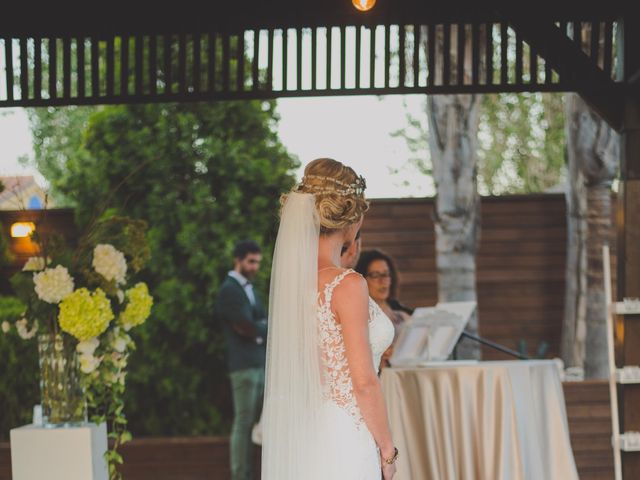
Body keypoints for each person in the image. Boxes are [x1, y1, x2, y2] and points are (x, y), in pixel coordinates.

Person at [261, 158, 398, 480]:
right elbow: (363, 382)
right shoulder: (347, 285)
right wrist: (388, 449)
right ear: (353, 219)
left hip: (305, 431)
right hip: (346, 434)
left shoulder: (293, 283)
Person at [215, 240, 267, 480]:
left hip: (258, 363)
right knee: (243, 422)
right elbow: (245, 326)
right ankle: (240, 475)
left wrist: (260, 327)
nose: (255, 266)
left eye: (258, 262)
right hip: (244, 367)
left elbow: (258, 322)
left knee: (258, 423)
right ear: (238, 260)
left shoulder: (250, 289)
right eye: (251, 261)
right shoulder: (230, 289)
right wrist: (265, 327)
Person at [356, 249, 414, 369]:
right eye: (375, 275)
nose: (383, 281)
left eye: (386, 274)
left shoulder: (403, 314)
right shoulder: (357, 316)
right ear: (362, 279)